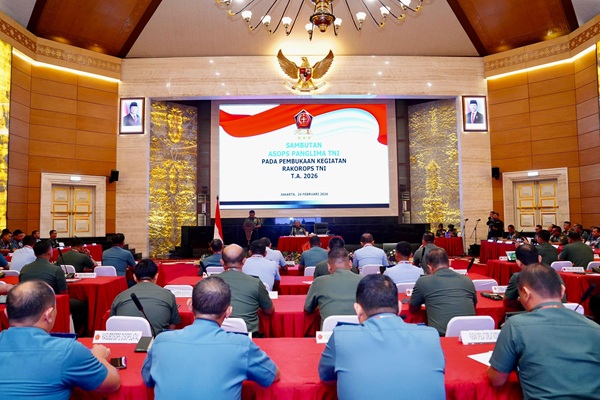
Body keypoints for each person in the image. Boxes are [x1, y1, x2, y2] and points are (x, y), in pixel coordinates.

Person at [142, 276, 280, 398]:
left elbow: (148, 379)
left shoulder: (161, 341)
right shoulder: (241, 345)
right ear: (228, 312)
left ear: (190, 305)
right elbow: (273, 375)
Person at [318, 274, 445, 399]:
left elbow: (326, 376)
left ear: (358, 309)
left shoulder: (341, 338)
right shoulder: (431, 337)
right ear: (399, 307)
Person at [488, 263, 600, 399]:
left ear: (525, 293)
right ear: (562, 290)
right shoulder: (595, 328)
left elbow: (497, 380)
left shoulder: (515, 325)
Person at [0, 281, 120, 398]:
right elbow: (112, 383)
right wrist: (99, 357)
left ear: (6, 313)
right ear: (48, 315)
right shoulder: (68, 350)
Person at [20, 240, 89, 335]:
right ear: (50, 252)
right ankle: (79, 333)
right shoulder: (56, 269)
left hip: (28, 302)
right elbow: (64, 294)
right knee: (83, 305)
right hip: (50, 303)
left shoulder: (24, 268)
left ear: (35, 254)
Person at [409, 248, 476, 336]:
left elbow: (413, 308)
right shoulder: (467, 280)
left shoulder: (423, 281)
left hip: (441, 337)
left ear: (429, 268)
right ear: (450, 263)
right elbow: (474, 305)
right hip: (469, 335)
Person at [110, 259, 180, 335]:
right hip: (156, 340)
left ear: (134, 277)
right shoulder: (168, 295)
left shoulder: (120, 296)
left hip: (126, 340)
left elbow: (112, 324)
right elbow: (172, 327)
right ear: (156, 276)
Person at [218, 244, 274, 334]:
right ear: (244, 261)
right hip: (249, 335)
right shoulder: (255, 282)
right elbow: (269, 311)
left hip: (215, 335)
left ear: (222, 262)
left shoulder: (208, 282)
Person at [305, 247, 363, 327]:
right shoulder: (364, 280)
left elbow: (308, 308)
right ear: (350, 264)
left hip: (329, 331)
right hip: (359, 330)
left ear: (328, 266)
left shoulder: (318, 282)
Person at [504, 244, 566, 310]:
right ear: (539, 258)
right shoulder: (554, 274)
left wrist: (522, 299)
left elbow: (507, 302)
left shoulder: (519, 277)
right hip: (560, 311)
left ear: (518, 262)